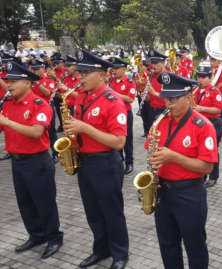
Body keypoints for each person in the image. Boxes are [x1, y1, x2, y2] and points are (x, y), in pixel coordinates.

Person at [63, 49, 129, 269]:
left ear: (101, 75)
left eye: (85, 73)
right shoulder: (81, 96)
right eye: (80, 73)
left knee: (111, 212)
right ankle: (100, 250)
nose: (80, 77)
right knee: (93, 212)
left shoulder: (113, 101)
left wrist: (85, 128)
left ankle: (120, 253)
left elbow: (119, 142)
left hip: (105, 163)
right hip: (85, 162)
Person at [148, 72, 218, 269]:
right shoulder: (159, 122)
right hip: (162, 191)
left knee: (194, 246)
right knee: (167, 244)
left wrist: (174, 157)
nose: (167, 102)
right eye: (165, 98)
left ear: (188, 97)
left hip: (189, 193)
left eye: (173, 98)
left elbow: (207, 167)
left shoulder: (203, 126)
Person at [1, 61, 63, 259]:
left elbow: (37, 132)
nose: (8, 86)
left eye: (13, 82)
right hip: (17, 162)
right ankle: (36, 235)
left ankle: (54, 237)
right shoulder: (9, 104)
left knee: (44, 203)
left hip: (37, 162)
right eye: (7, 82)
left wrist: (7, 121)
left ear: (27, 83)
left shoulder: (40, 104)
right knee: (25, 203)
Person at [193, 65, 222, 188]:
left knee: (212, 150)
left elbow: (219, 109)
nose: (200, 80)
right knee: (199, 150)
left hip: (213, 123)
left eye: (203, 77)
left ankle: (213, 176)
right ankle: (202, 173)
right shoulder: (195, 90)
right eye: (199, 77)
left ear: (210, 78)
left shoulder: (214, 91)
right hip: (199, 123)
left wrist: (202, 108)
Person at [109, 57, 137, 174]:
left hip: (125, 113)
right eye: (113, 69)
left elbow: (130, 99)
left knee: (127, 139)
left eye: (117, 68)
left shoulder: (129, 82)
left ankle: (129, 162)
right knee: (115, 137)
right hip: (113, 114)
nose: (114, 71)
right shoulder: (111, 81)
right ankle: (119, 160)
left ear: (124, 69)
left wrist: (114, 93)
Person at [29, 58, 59, 164]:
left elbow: (47, 93)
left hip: (46, 108)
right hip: (33, 109)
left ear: (43, 68)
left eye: (37, 69)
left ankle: (56, 153)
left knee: (51, 132)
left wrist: (38, 83)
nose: (35, 72)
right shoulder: (29, 80)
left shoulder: (49, 79)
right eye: (33, 70)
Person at [145, 50, 169, 129]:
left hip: (164, 111)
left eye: (156, 63)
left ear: (163, 63)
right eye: (152, 63)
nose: (153, 66)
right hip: (152, 110)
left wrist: (154, 92)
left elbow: (170, 98)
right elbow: (150, 97)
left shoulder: (168, 77)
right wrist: (147, 97)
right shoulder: (151, 76)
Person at [136, 60, 152, 137]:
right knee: (143, 114)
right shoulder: (138, 75)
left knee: (149, 114)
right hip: (140, 95)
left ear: (146, 67)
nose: (140, 67)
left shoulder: (148, 75)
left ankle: (150, 130)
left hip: (147, 96)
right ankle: (145, 130)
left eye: (142, 66)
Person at [210, 57, 222, 122]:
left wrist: (213, 90)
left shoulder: (221, 69)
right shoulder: (209, 69)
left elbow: (221, 83)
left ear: (218, 60)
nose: (212, 61)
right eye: (211, 60)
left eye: (214, 60)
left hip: (219, 91)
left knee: (220, 106)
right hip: (210, 91)